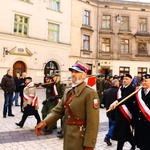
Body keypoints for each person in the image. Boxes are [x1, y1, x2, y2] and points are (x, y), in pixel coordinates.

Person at [35, 61, 99, 150]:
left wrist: (89, 145)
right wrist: (44, 122)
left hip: (80, 137)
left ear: (84, 75)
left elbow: (93, 122)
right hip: (68, 134)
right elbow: (58, 110)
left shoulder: (89, 93)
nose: (73, 74)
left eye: (76, 72)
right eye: (72, 72)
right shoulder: (68, 92)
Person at [109, 74, 135, 150]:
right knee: (125, 134)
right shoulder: (120, 89)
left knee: (123, 133)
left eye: (126, 79)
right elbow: (115, 100)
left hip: (127, 115)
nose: (124, 80)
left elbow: (126, 99)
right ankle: (133, 145)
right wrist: (113, 113)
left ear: (131, 80)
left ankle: (120, 148)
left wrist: (117, 101)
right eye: (123, 79)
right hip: (119, 115)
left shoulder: (132, 89)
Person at [133, 74, 150, 150]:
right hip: (140, 124)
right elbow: (127, 98)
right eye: (142, 81)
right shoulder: (138, 91)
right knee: (142, 145)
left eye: (145, 81)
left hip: (149, 123)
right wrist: (116, 102)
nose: (143, 83)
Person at [102, 79, 119, 146]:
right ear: (116, 84)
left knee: (111, 124)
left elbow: (103, 101)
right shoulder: (118, 91)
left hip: (108, 111)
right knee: (114, 125)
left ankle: (111, 135)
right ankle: (108, 137)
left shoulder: (106, 91)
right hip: (116, 111)